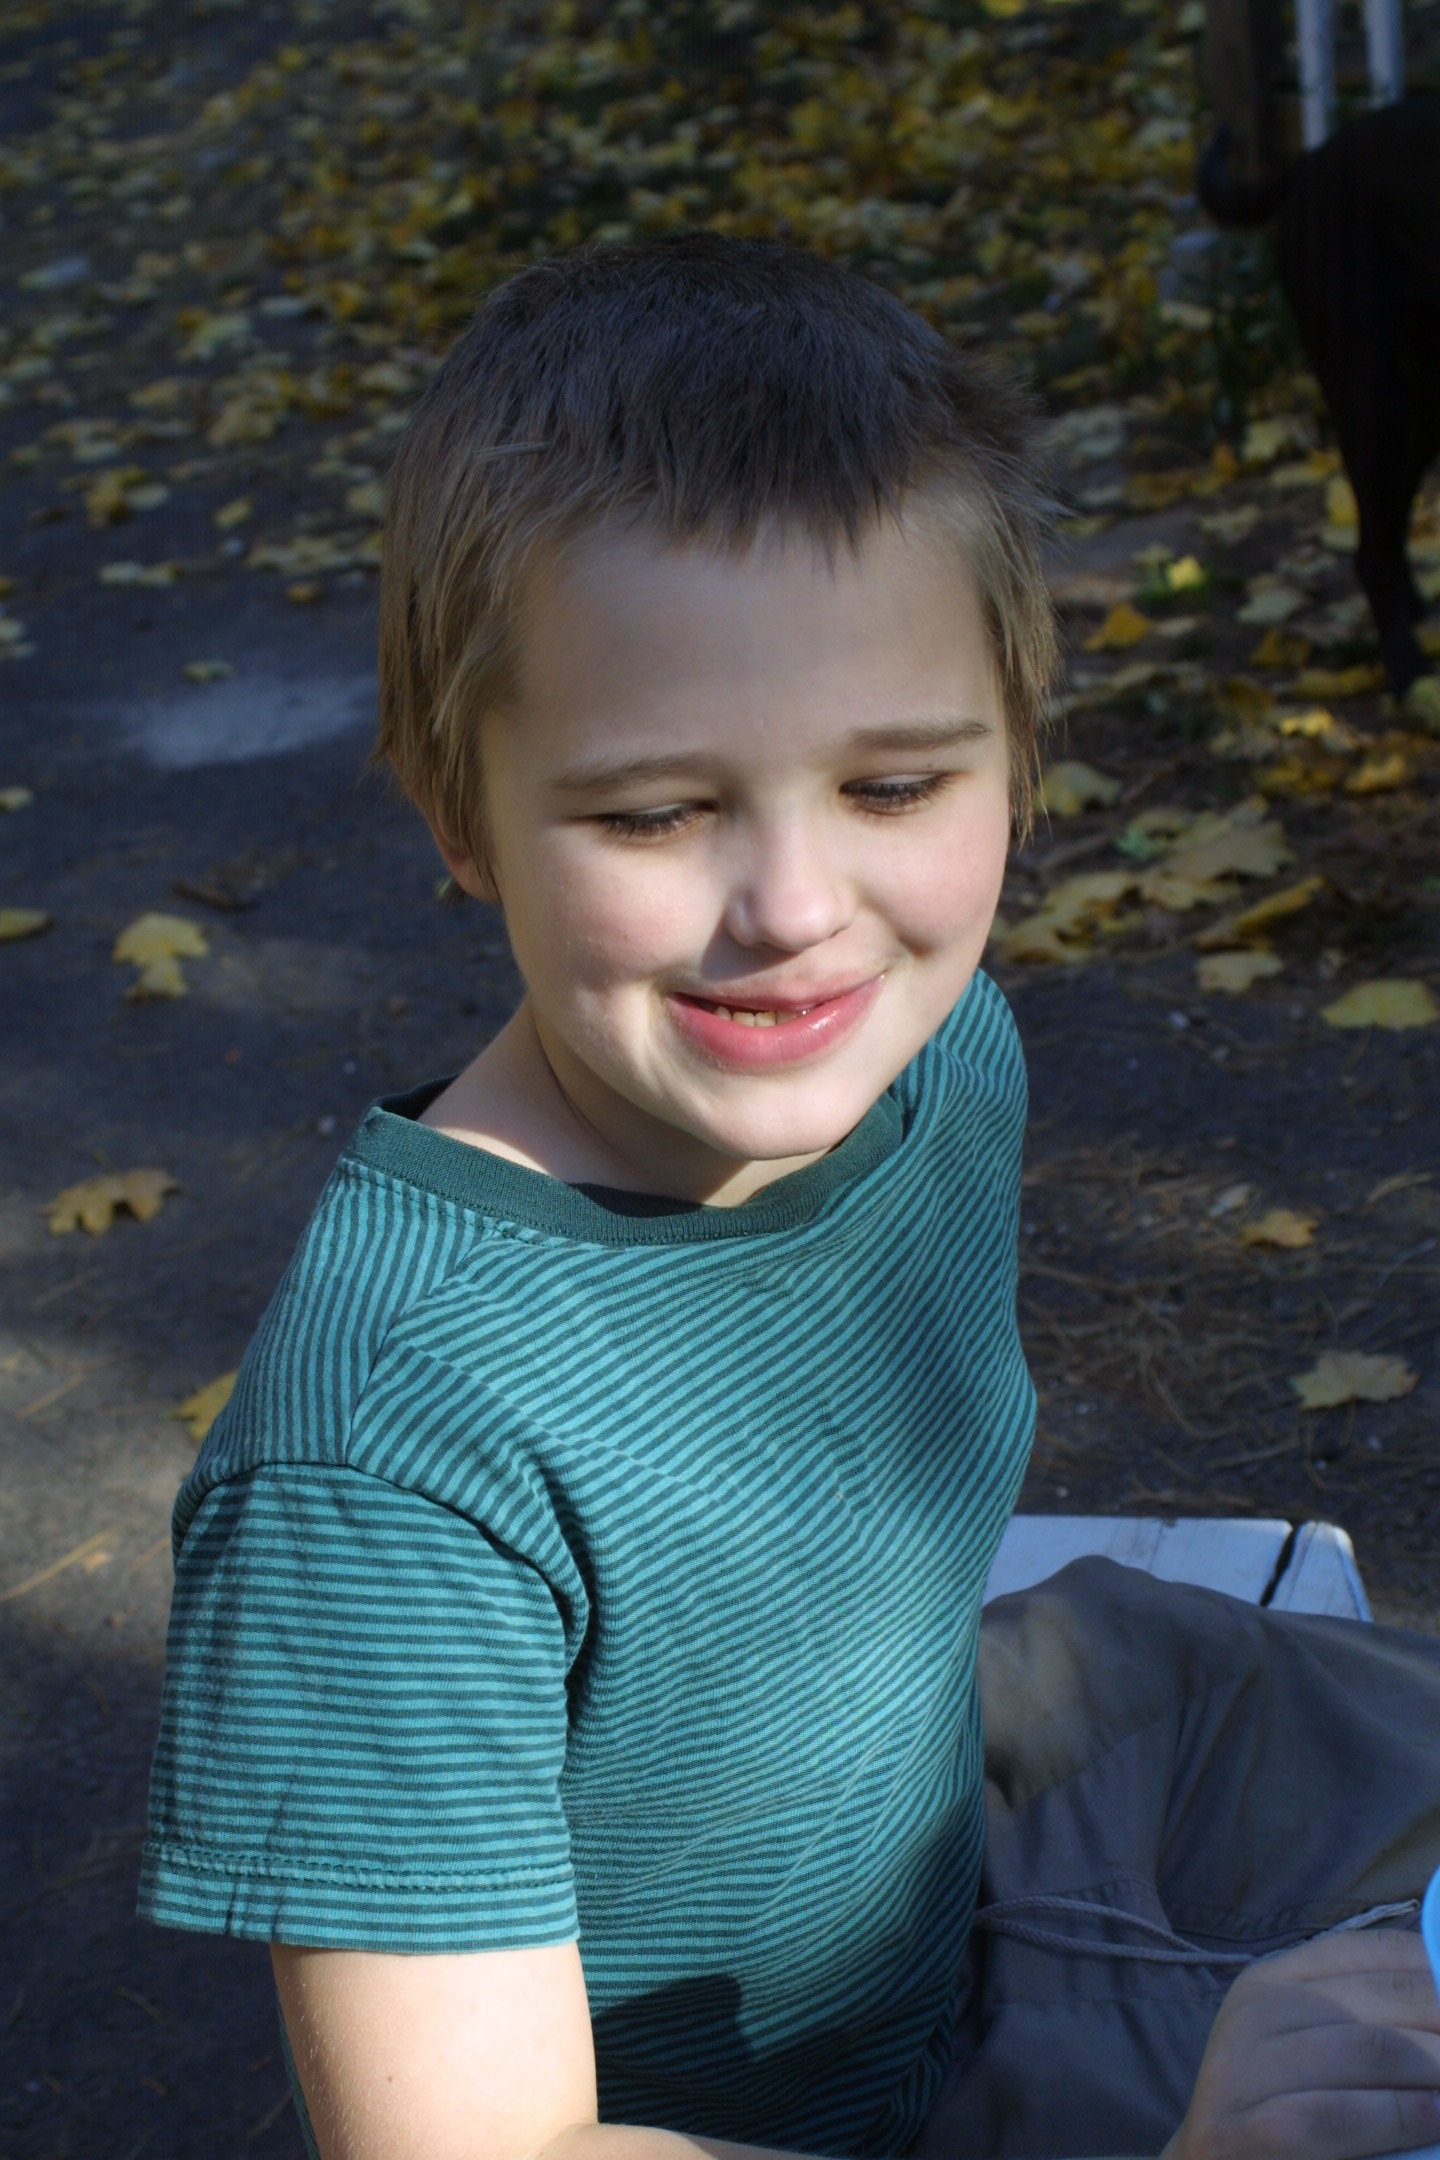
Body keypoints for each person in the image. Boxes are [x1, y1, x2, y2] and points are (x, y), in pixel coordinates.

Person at [138, 234, 1440, 2160]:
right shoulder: (384, 1479)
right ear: (453, 806)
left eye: (894, 787)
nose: (798, 912)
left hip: (979, 1796)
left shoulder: (943, 1054)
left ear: (1020, 740)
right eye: (655, 811)